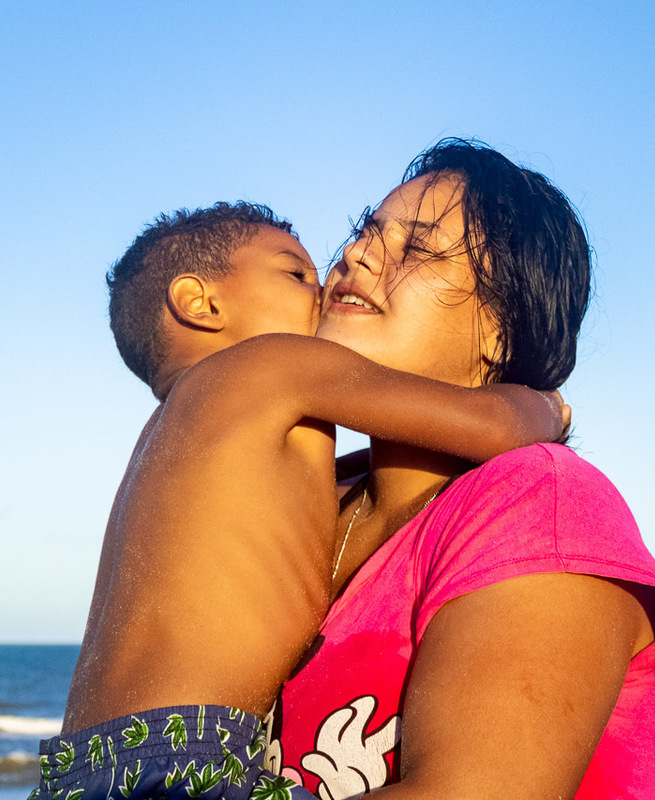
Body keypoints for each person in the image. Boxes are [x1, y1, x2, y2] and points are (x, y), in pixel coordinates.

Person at [31, 202, 570, 800]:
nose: (328, 285)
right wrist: (543, 407)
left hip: (84, 765)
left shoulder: (172, 441)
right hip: (189, 754)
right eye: (296, 275)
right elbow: (487, 427)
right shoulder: (275, 365)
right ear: (201, 303)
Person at [263, 140, 655, 799]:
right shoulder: (309, 500)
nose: (355, 254)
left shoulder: (539, 503)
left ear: (499, 329)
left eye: (420, 247)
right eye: (365, 231)